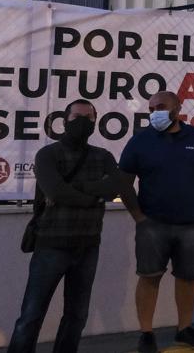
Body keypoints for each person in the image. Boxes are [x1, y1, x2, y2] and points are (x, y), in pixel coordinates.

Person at [9, 99, 127, 353]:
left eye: (89, 118)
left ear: (95, 122)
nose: (83, 122)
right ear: (64, 120)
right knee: (32, 313)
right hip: (51, 245)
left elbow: (115, 187)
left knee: (77, 315)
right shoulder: (47, 154)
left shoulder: (103, 156)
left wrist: (78, 190)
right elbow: (55, 191)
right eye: (77, 117)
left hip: (88, 246)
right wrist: (93, 196)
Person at [119, 91, 194, 353]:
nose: (155, 112)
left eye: (161, 107)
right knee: (149, 277)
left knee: (187, 278)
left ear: (177, 108)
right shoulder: (140, 141)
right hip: (152, 224)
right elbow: (124, 181)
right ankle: (146, 333)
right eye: (151, 109)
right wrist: (139, 217)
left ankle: (184, 329)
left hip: (192, 223)